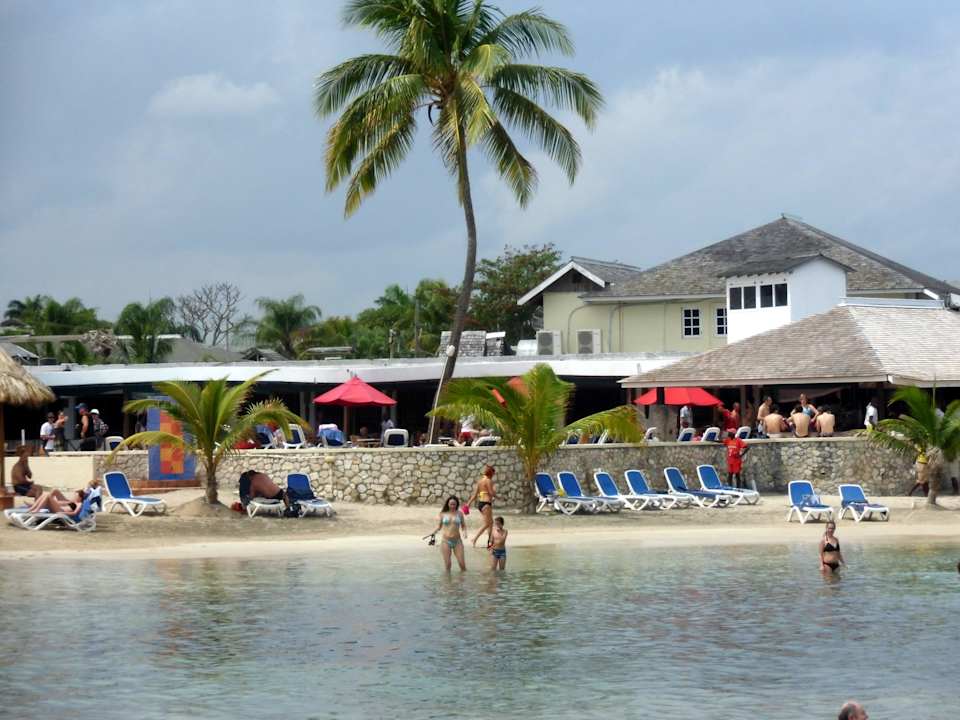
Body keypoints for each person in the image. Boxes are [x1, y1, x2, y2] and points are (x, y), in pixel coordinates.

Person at [25, 478, 101, 516]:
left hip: (60, 510)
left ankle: (36, 509)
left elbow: (74, 513)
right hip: (60, 507)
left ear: (80, 498)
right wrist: (56, 502)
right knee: (45, 495)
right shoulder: (75, 502)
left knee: (47, 495)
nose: (74, 495)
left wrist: (63, 513)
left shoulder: (79, 504)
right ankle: (33, 508)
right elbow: (65, 503)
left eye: (76, 495)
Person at [430, 496, 467, 572]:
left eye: (454, 504)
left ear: (457, 504)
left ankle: (462, 583)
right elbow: (439, 526)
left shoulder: (460, 514)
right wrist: (434, 532)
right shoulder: (442, 514)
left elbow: (463, 525)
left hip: (457, 541)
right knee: (448, 565)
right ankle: (447, 583)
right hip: (445, 541)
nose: (453, 506)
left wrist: (464, 532)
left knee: (462, 565)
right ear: (448, 504)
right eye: (451, 504)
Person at [466, 465, 496, 547]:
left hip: (481, 504)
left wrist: (468, 504)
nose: (493, 475)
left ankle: (490, 541)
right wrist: (498, 495)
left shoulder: (480, 481)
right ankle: (474, 539)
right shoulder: (488, 481)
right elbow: (491, 493)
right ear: (491, 473)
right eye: (493, 473)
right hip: (486, 503)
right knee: (487, 524)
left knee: (491, 522)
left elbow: (475, 495)